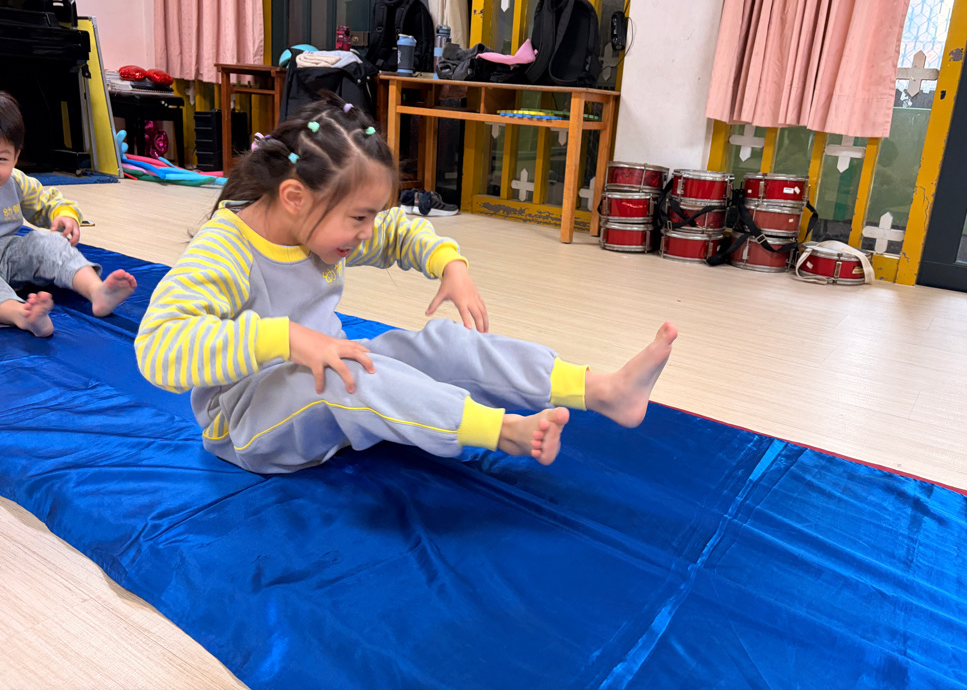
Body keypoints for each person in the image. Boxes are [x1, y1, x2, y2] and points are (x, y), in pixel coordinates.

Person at [135, 95, 676, 474]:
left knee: (438, 344)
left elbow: (397, 231)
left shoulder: (319, 226)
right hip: (247, 425)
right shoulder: (225, 249)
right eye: (359, 218)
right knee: (351, 375)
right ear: (295, 197)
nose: (368, 233)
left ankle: (603, 390)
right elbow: (159, 348)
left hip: (325, 374)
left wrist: (448, 263)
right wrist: (288, 339)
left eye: (371, 216)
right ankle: (500, 431)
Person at [0, 91, 136, 336]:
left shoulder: (16, 182)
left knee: (49, 241)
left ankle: (97, 291)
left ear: (16, 156)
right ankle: (21, 315)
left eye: (1, 159)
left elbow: (48, 201)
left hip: (9, 254)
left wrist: (63, 215)